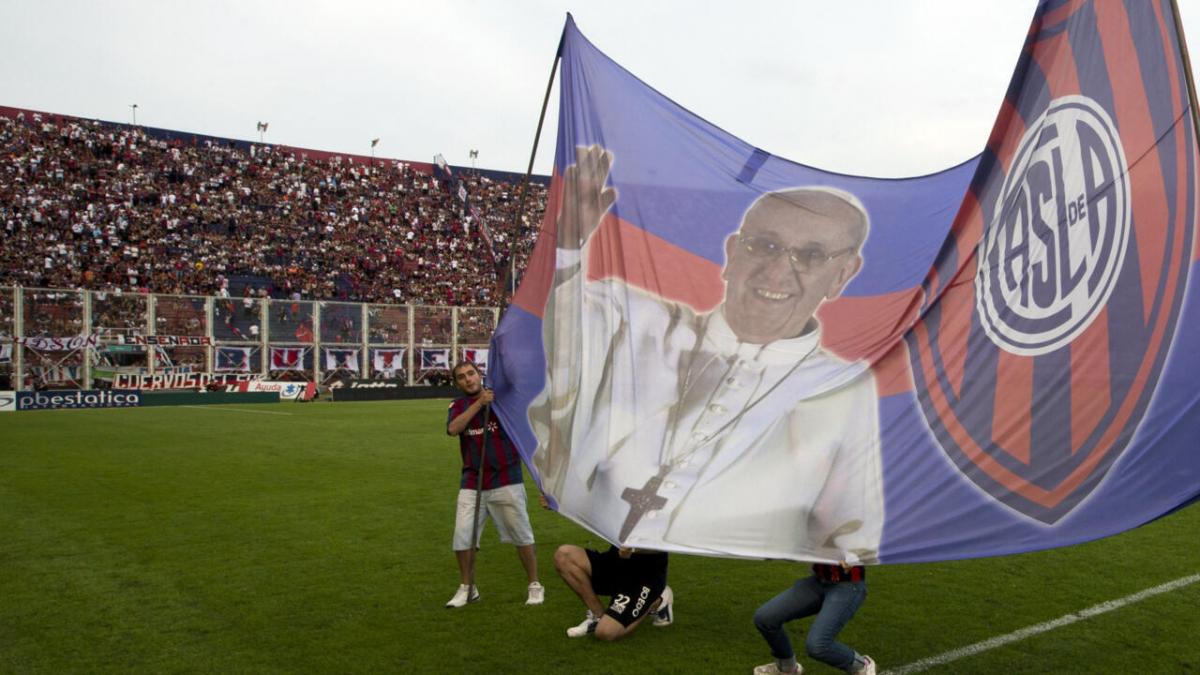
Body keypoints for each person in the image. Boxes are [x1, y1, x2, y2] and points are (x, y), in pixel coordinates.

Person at [529, 145, 884, 562]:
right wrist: (569, 248)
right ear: (731, 253)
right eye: (765, 246)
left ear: (841, 275)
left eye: (811, 255)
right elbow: (566, 342)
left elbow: (849, 530)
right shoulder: (639, 322)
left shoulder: (842, 388)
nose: (777, 271)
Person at [445, 360, 544, 608]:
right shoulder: (458, 405)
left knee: (522, 535)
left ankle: (534, 584)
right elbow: (454, 429)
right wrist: (480, 403)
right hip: (472, 482)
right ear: (457, 383)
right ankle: (468, 588)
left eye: (471, 373)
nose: (468, 379)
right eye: (461, 377)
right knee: (462, 537)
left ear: (479, 374)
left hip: (506, 478)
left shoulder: (502, 400)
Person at [752, 562, 875, 675]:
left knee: (817, 646)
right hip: (818, 582)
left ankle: (862, 666)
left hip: (849, 585)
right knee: (765, 618)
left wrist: (854, 557)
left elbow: (869, 548)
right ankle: (787, 668)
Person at [552, 539, 673, 641]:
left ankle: (658, 599)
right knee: (563, 555)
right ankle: (597, 616)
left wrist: (634, 549)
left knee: (605, 632)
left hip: (644, 576)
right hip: (616, 562)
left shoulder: (660, 518)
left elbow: (666, 543)